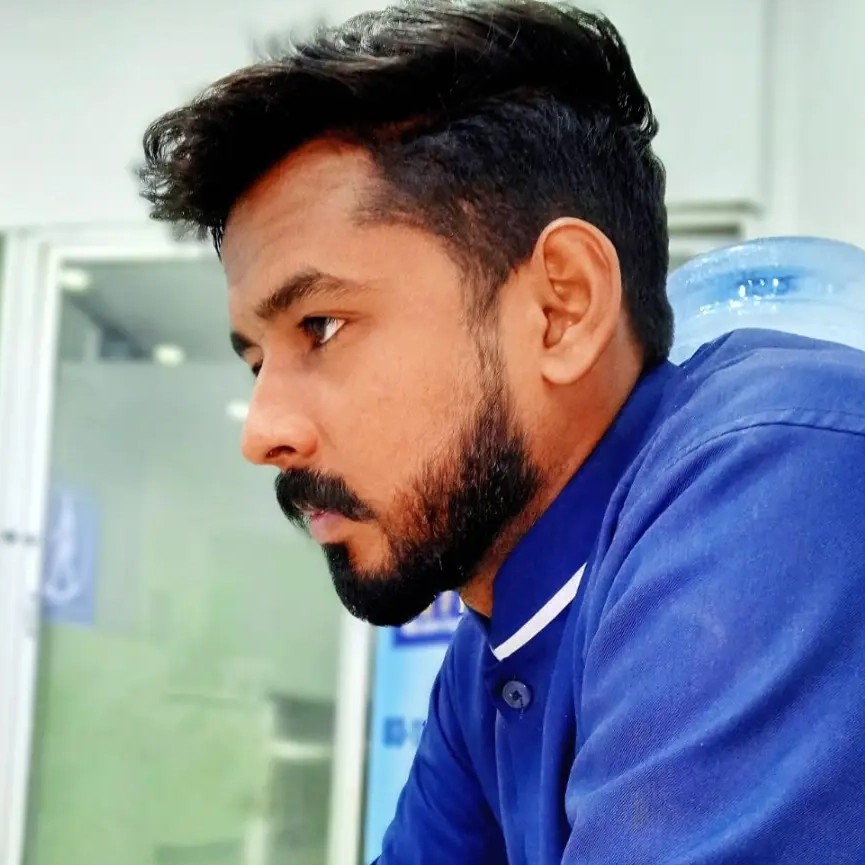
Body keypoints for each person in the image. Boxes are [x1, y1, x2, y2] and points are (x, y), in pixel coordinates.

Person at [138, 1, 865, 862]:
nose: (261, 432)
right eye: (257, 361)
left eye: (320, 327)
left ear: (561, 307)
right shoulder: (492, 656)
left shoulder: (775, 476)